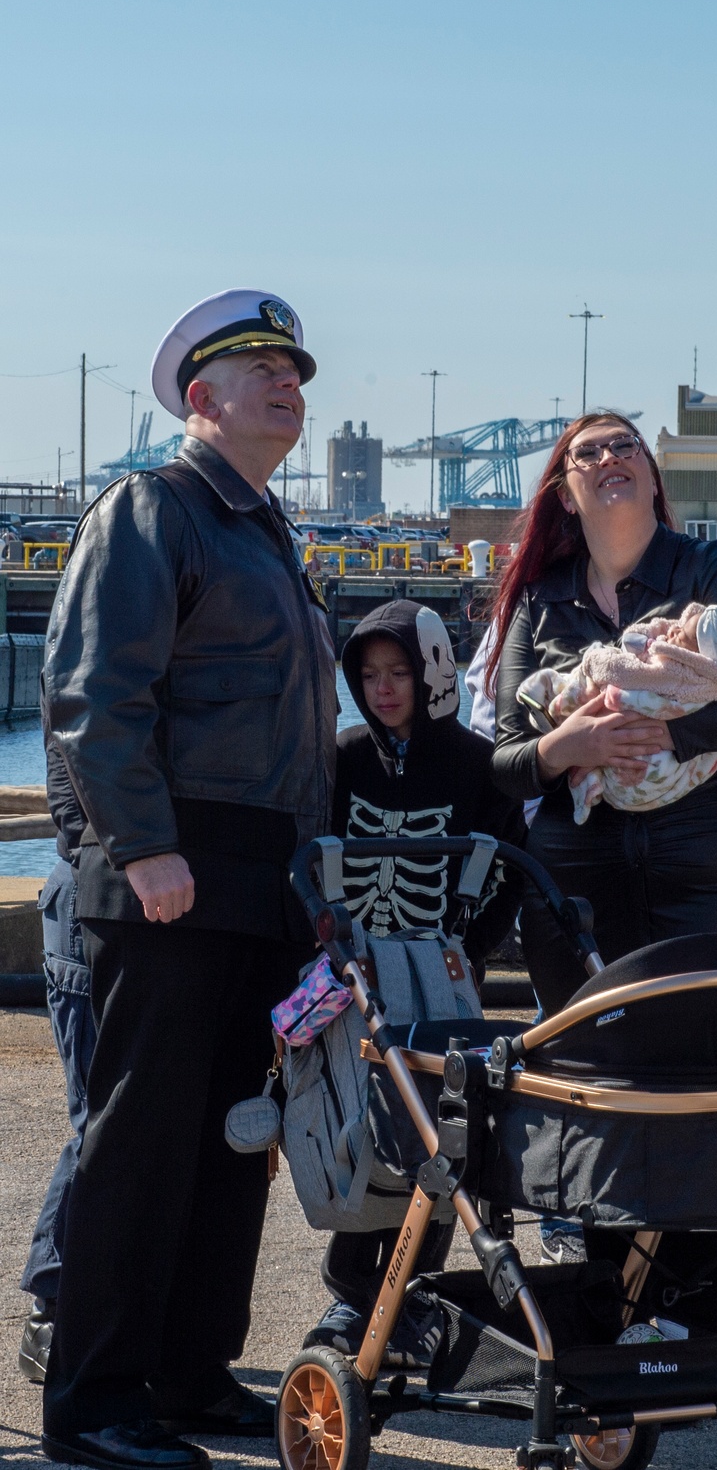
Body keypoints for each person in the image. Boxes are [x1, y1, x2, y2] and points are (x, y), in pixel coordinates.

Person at [40, 289, 339, 1470]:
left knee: (229, 1139)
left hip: (260, 876)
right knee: (140, 1142)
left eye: (296, 372)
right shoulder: (154, 509)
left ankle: (187, 1372)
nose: (290, 386)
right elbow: (95, 697)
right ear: (199, 397)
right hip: (170, 867)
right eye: (264, 368)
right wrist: (141, 843)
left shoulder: (263, 526)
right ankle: (97, 1405)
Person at [489, 411, 717, 1019]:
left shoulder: (711, 567)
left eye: (624, 446)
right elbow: (505, 759)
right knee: (596, 1075)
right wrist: (569, 746)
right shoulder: (538, 600)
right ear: (566, 497)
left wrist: (672, 731)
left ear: (653, 480)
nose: (610, 459)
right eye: (589, 454)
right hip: (581, 888)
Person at [305, 599, 525, 1358]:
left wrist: (474, 945)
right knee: (355, 1131)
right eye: (368, 675)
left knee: (441, 1134)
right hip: (357, 980)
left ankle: (408, 1292)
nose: (384, 689)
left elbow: (510, 866)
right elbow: (312, 860)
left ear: (432, 672)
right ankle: (351, 1292)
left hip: (441, 979)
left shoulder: (475, 763)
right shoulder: (344, 759)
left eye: (399, 672)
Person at [517, 602, 717, 823]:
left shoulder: (678, 676)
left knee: (587, 683)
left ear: (699, 659)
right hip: (657, 785)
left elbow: (622, 673)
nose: (673, 630)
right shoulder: (716, 688)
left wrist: (595, 658)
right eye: (680, 625)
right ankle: (587, 774)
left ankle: (555, 705)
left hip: (642, 768)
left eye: (683, 636)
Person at [18, 702, 91, 1384]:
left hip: (97, 899)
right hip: (92, 905)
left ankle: (66, 1304)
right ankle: (51, 1305)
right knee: (101, 1120)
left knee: (112, 1119)